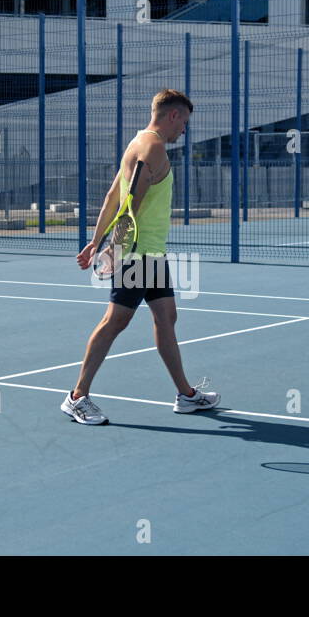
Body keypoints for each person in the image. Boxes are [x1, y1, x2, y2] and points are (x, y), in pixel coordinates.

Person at [60, 89, 220, 425]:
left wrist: (94, 241)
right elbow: (129, 205)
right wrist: (113, 250)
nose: (184, 131)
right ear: (173, 115)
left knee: (166, 318)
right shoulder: (154, 149)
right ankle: (77, 397)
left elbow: (112, 197)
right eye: (184, 123)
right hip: (138, 255)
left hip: (151, 253)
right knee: (115, 322)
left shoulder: (136, 143)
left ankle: (186, 396)